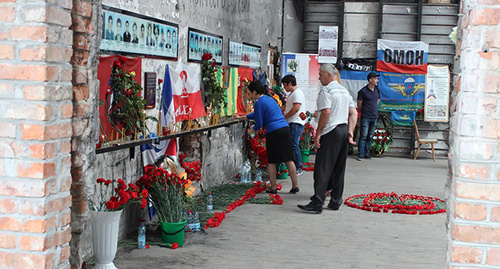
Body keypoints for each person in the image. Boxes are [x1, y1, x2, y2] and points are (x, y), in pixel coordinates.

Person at [298, 64, 357, 214]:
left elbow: (326, 112)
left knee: (322, 168)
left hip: (331, 131)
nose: (319, 77)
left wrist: (318, 133)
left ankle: (317, 202)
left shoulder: (327, 90)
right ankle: (336, 200)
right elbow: (353, 113)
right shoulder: (344, 91)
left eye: (321, 74)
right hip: (343, 129)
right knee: (339, 168)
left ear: (329, 75)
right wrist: (350, 130)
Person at [233, 81, 299, 194]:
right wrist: (243, 117)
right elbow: (257, 114)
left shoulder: (259, 102)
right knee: (289, 158)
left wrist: (252, 130)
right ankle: (295, 186)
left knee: (272, 161)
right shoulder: (269, 99)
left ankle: (273, 187)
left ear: (254, 91)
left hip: (274, 131)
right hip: (284, 128)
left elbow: (259, 122)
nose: (250, 95)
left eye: (250, 93)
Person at [282, 74, 306, 176]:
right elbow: (287, 107)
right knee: (292, 144)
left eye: (285, 85)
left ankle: (298, 167)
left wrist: (285, 116)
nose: (284, 88)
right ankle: (295, 166)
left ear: (290, 84)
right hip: (292, 122)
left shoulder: (297, 93)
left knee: (294, 144)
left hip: (296, 122)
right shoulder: (292, 94)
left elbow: (296, 108)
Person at [356, 72, 380, 161]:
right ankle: (360, 154)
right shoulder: (363, 91)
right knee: (363, 135)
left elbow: (377, 101)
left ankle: (367, 153)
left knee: (370, 136)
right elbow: (359, 104)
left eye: (377, 79)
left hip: (374, 116)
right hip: (365, 116)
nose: (377, 80)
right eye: (375, 78)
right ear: (370, 80)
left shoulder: (377, 90)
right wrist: (365, 111)